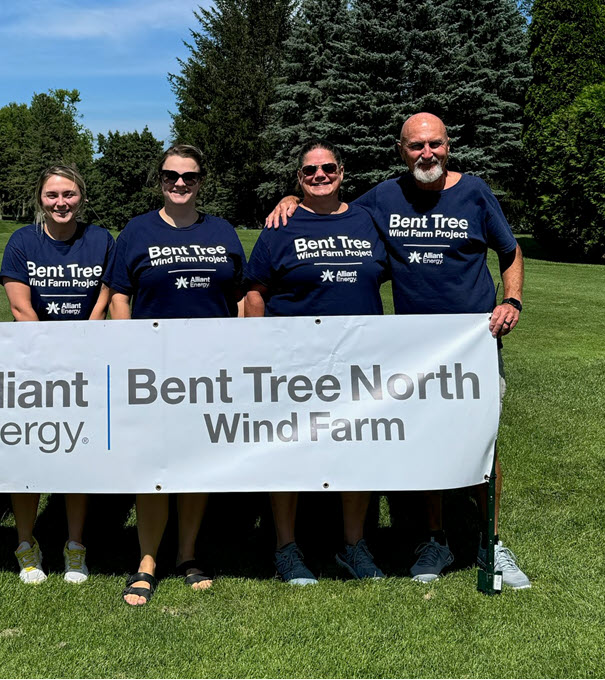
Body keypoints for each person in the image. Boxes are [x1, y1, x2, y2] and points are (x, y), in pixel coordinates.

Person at [265, 113, 529, 588]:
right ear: (401, 151)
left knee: (481, 443)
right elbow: (329, 206)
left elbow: (509, 251)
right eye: (415, 147)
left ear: (448, 146)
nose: (426, 154)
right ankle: (434, 538)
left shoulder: (475, 192)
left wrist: (511, 300)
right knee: (426, 439)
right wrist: (291, 198)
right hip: (411, 350)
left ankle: (492, 541)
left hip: (472, 344)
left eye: (435, 144)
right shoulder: (384, 198)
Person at [103, 144, 246, 605]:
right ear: (159, 179)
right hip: (153, 370)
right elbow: (119, 295)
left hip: (211, 370)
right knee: (154, 464)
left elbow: (240, 296)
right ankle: (147, 560)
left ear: (202, 181)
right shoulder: (137, 232)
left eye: (189, 176)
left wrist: (242, 349)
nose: (179, 183)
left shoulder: (222, 230)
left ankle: (187, 554)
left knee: (195, 462)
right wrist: (128, 347)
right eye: (170, 176)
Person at [247, 139, 389, 585]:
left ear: (342, 172)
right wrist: (259, 349)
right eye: (309, 172)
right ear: (298, 180)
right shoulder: (281, 225)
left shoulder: (368, 219)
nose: (320, 176)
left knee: (356, 448)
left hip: (358, 359)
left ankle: (354, 546)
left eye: (328, 168)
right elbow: (255, 291)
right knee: (287, 448)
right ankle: (286, 549)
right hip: (293, 361)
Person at [0, 165, 114, 585]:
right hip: (35, 364)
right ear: (40, 200)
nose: (61, 203)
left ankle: (75, 546)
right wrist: (52, 354)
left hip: (86, 363)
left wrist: (85, 342)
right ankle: (26, 544)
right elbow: (20, 308)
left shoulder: (100, 239)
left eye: (69, 194)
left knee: (76, 451)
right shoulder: (23, 241)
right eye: (52, 196)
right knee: (29, 453)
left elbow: (105, 297)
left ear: (81, 197)